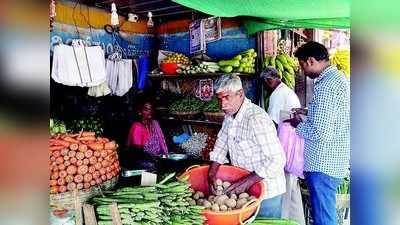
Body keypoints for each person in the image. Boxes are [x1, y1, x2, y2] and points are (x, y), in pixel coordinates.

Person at [286, 41, 350, 225]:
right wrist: (308, 111)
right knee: (324, 214)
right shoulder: (337, 78)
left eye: (302, 66)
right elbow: (332, 115)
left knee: (323, 217)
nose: (303, 71)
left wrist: (297, 124)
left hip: (324, 164)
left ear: (311, 61)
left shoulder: (326, 86)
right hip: (333, 161)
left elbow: (321, 132)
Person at [208, 74, 286, 218]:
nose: (222, 104)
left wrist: (246, 181)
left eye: (226, 97)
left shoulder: (256, 119)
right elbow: (221, 144)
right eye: (219, 99)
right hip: (247, 191)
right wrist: (211, 173)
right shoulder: (229, 116)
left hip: (267, 192)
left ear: (240, 94)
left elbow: (277, 160)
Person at [260, 67, 305, 225]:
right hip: (293, 145)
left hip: (286, 146)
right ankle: (297, 220)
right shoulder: (286, 91)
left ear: (269, 81)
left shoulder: (277, 94)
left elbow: (272, 124)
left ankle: (284, 219)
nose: (265, 89)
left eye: (264, 85)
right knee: (292, 186)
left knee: (284, 186)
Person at [127, 101, 168, 168]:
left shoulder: (155, 123)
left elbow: (162, 142)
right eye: (146, 109)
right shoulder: (137, 127)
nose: (150, 111)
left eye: (151, 109)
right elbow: (137, 152)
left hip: (156, 159)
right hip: (144, 162)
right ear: (140, 112)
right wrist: (154, 158)